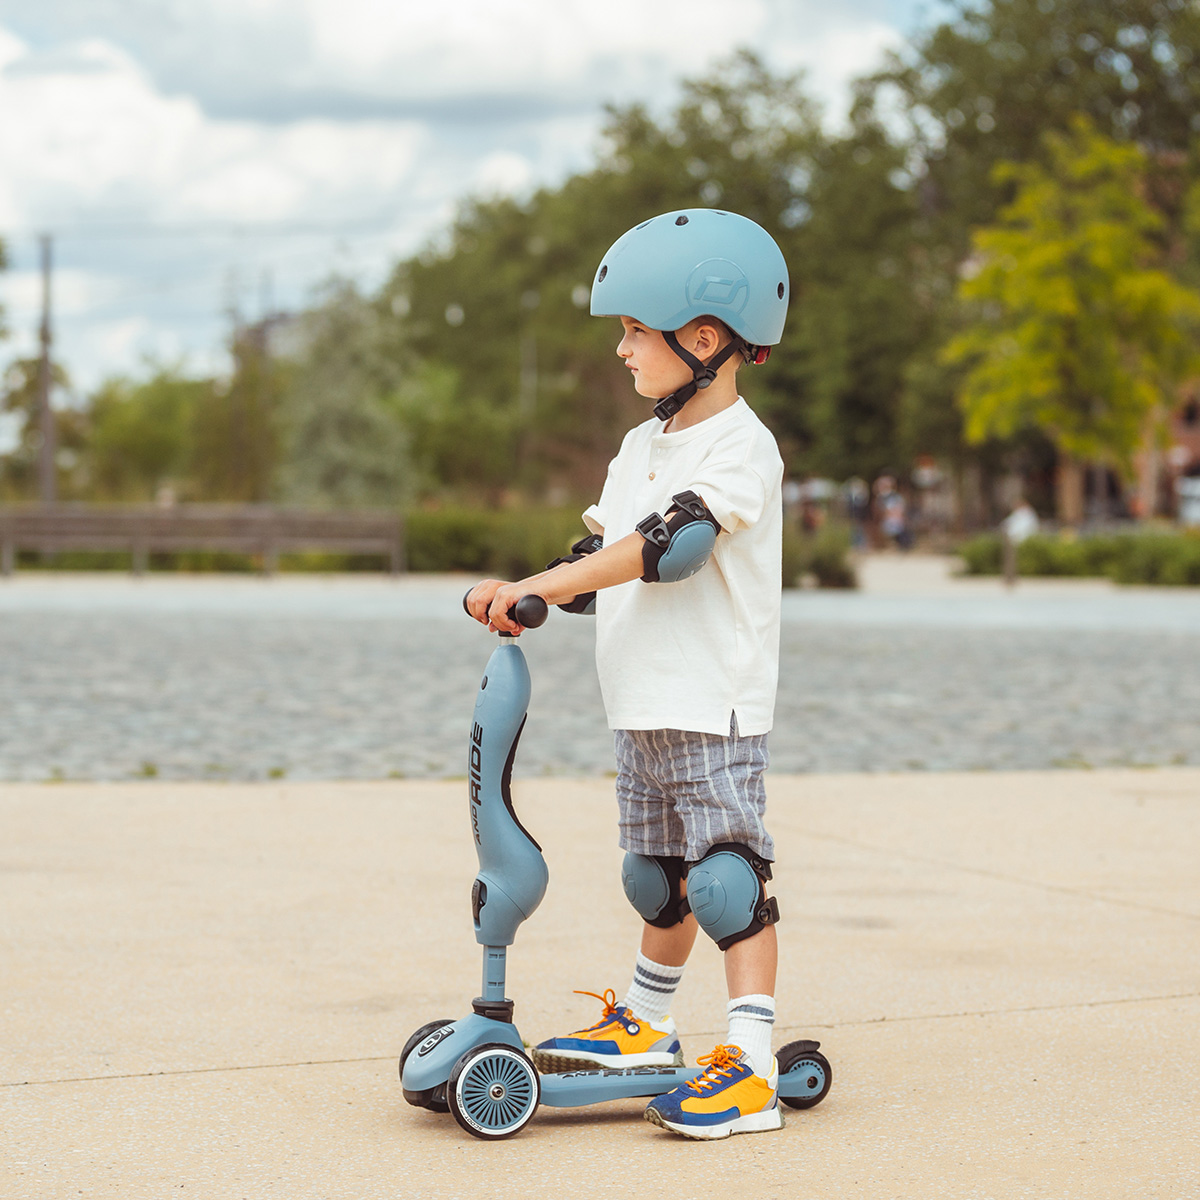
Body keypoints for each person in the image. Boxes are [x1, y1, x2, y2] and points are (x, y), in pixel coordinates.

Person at [466, 209, 789, 1141]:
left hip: (712, 704)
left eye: (633, 331)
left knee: (728, 880)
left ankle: (752, 1066)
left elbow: (667, 548)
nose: (621, 350)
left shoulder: (740, 449)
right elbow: (601, 553)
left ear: (704, 336)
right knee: (659, 878)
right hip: (641, 702)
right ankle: (648, 1026)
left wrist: (542, 582)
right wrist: (534, 593)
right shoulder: (642, 444)